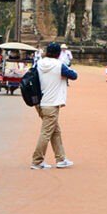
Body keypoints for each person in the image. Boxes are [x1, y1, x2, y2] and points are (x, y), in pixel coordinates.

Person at [30, 41, 78, 170]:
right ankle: (37, 161)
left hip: (40, 103)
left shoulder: (39, 63)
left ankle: (61, 159)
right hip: (52, 104)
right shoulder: (59, 65)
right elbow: (74, 76)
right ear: (58, 54)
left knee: (55, 131)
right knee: (46, 133)